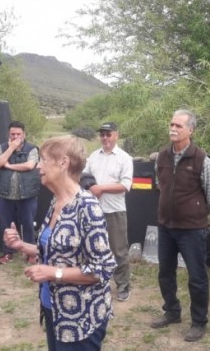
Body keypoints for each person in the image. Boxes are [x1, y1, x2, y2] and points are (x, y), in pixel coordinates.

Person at [4, 135, 117, 351]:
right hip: (53, 308)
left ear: (63, 163)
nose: (39, 166)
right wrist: (21, 245)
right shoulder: (57, 201)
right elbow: (56, 251)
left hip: (80, 318)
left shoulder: (87, 207)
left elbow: (103, 269)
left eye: (44, 160)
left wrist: (52, 273)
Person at [150, 109, 210, 342]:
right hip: (166, 227)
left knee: (197, 277)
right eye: (171, 124)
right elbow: (160, 185)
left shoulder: (202, 160)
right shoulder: (161, 157)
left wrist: (195, 214)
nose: (173, 128)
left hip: (192, 230)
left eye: (179, 125)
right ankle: (172, 312)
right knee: (165, 273)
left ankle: (199, 322)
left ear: (191, 130)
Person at [83, 122, 133, 302]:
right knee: (92, 249)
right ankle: (95, 282)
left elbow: (125, 185)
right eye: (102, 134)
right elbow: (84, 176)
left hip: (114, 211)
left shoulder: (124, 158)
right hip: (93, 211)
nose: (105, 138)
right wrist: (88, 188)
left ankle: (123, 285)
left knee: (119, 250)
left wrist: (100, 188)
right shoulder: (93, 156)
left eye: (108, 134)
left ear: (116, 135)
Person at [0, 121, 41, 265]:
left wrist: (8, 165)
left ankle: (30, 254)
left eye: (18, 134)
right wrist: (11, 148)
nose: (15, 136)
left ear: (24, 134)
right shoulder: (1, 147)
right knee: (6, 226)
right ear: (9, 134)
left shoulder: (32, 148)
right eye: (13, 134)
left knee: (28, 225)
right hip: (4, 194)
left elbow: (30, 165)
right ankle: (8, 253)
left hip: (27, 194)